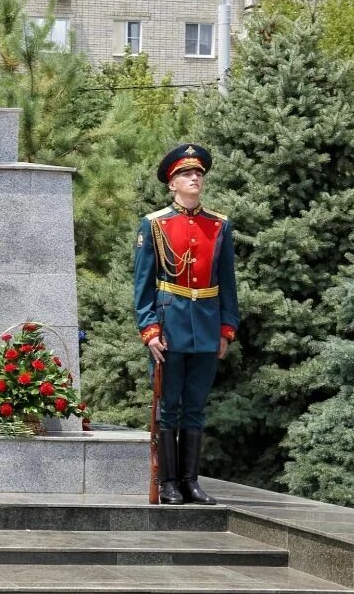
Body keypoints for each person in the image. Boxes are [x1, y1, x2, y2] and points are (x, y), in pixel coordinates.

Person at [133, 143, 239, 505]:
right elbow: (143, 283)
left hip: (207, 327)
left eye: (198, 173)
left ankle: (191, 482)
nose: (194, 177)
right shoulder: (155, 225)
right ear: (171, 184)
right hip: (169, 326)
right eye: (185, 174)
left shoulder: (219, 225)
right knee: (168, 406)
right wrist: (149, 329)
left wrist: (227, 328)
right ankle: (167, 483)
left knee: (195, 405)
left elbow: (228, 281)